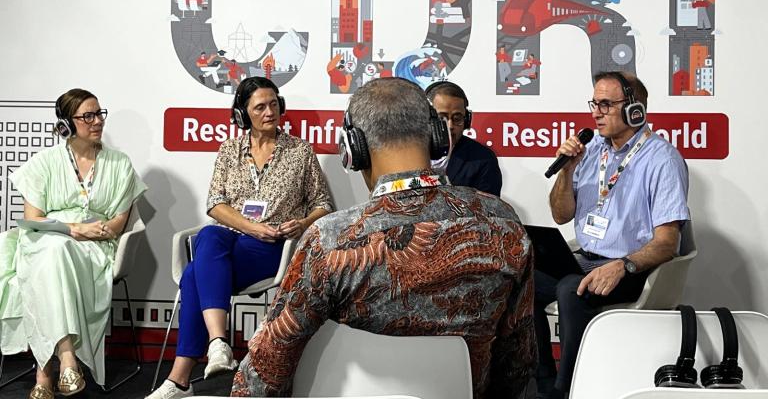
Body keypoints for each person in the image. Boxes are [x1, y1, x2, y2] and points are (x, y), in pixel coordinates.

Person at [231, 77, 536, 399]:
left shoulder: (330, 240)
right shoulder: (503, 224)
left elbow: (265, 370)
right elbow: (518, 364)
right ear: (437, 137)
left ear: (352, 150)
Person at [148, 77, 333, 399]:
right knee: (209, 237)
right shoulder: (229, 150)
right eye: (260, 106)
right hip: (230, 242)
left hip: (272, 247)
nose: (269, 112)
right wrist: (249, 226)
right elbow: (215, 204)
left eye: (274, 104)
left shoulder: (299, 151)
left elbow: (324, 204)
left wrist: (302, 222)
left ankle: (185, 374)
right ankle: (217, 345)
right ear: (243, 114)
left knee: (196, 270)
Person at [535, 72, 690, 399]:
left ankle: (568, 390)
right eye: (595, 103)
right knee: (524, 279)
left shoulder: (662, 159)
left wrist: (623, 266)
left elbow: (667, 243)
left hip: (632, 267)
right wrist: (567, 170)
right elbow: (561, 214)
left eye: (606, 104)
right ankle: (542, 381)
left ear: (635, 109)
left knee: (569, 288)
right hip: (585, 260)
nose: (596, 113)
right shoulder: (590, 152)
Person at [0, 88, 147, 399]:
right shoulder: (43, 162)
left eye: (99, 114)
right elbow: (34, 218)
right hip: (47, 239)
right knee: (54, 250)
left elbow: (121, 220)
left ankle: (45, 374)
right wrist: (71, 228)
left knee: (56, 256)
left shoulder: (119, 163)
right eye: (88, 116)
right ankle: (68, 361)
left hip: (96, 243)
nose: (97, 122)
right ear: (66, 125)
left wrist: (97, 231)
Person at [425, 80, 502, 196]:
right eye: (442, 118)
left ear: (466, 121)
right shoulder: (404, 153)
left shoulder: (483, 158)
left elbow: (489, 209)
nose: (450, 126)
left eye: (457, 119)